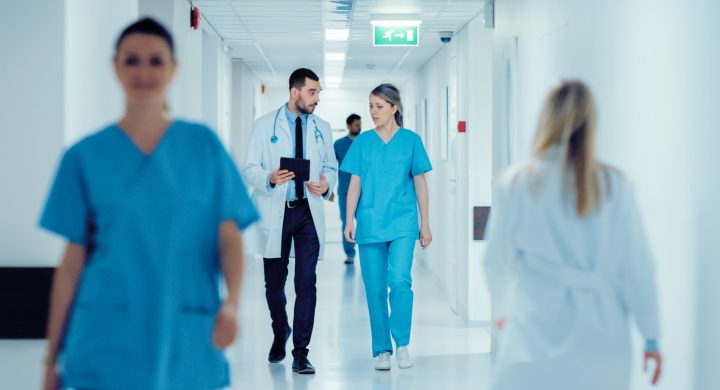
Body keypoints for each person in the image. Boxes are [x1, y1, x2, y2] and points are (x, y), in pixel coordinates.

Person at [39, 18, 259, 390]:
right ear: (116, 67)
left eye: (155, 61)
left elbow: (229, 238)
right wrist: (50, 358)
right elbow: (72, 263)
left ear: (173, 68)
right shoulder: (84, 156)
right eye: (132, 60)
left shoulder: (202, 146)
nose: (144, 72)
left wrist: (232, 303)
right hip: (106, 334)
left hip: (185, 331)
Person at [483, 80, 663, 390]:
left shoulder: (516, 184)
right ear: (592, 124)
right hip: (602, 339)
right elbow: (639, 269)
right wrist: (651, 337)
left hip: (533, 330)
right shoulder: (614, 186)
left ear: (546, 121)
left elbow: (496, 262)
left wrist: (501, 310)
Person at [243, 68, 337, 374]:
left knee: (306, 281)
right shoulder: (263, 125)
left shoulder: (322, 127)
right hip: (276, 210)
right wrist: (268, 178)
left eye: (319, 92)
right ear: (295, 92)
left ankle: (300, 353)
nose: (317, 98)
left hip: (308, 212)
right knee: (274, 286)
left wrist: (326, 186)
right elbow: (249, 169)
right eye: (312, 92)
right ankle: (280, 329)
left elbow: (330, 168)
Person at [341, 83, 432, 370]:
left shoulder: (411, 140)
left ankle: (402, 343)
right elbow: (354, 184)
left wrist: (425, 223)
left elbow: (420, 183)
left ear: (394, 108)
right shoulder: (363, 142)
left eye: (379, 106)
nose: (373, 112)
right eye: (370, 106)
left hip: (404, 222)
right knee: (375, 288)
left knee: (400, 281)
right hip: (370, 223)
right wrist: (348, 220)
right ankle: (382, 349)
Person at [334, 113, 362, 264]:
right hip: (344, 191)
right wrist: (329, 188)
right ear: (349, 126)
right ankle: (349, 253)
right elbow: (330, 168)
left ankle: (366, 252)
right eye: (356, 125)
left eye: (360, 125)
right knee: (347, 222)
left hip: (364, 191)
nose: (359, 128)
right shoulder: (338, 145)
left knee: (364, 221)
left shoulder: (365, 142)